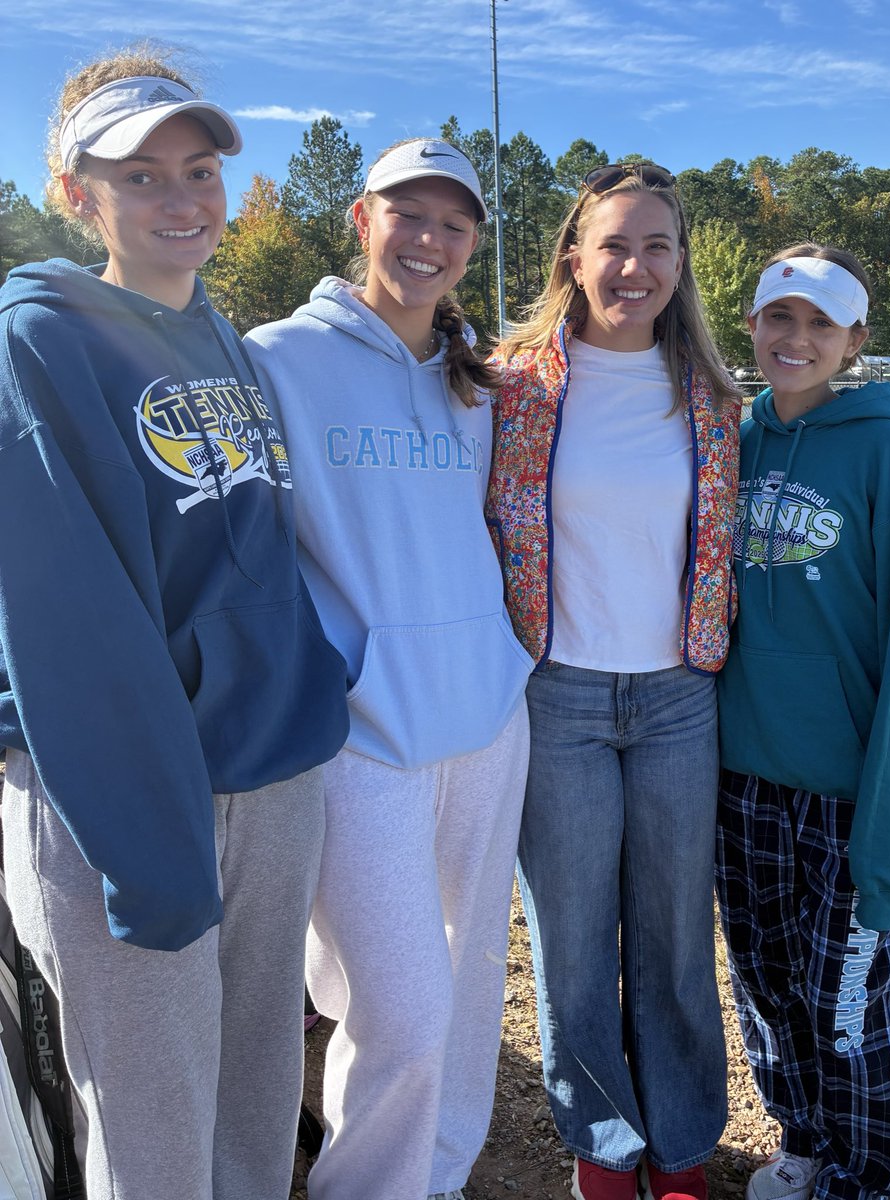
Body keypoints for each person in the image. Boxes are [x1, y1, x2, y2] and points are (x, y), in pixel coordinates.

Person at [0, 49, 349, 1200]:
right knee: (154, 1137)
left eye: (199, 170)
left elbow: (259, 556)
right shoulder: (41, 340)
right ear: (77, 194)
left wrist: (307, 685)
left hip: (268, 771)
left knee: (253, 1102)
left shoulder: (225, 341)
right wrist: (148, 852)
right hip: (126, 795)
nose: (182, 198)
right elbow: (71, 624)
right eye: (141, 176)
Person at [245, 138, 533, 1200]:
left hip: (487, 723)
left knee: (467, 992)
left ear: (472, 245)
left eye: (454, 223)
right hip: (362, 737)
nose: (429, 240)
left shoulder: (478, 381)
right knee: (401, 1010)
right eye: (408, 214)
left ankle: (439, 1176)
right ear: (362, 220)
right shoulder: (276, 359)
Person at [485, 162, 741, 1200]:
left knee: (677, 938)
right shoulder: (511, 387)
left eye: (657, 247)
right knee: (573, 944)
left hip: (679, 698)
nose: (636, 267)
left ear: (680, 265)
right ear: (574, 257)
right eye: (615, 245)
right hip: (560, 699)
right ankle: (602, 1146)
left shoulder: (713, 398)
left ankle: (680, 1148)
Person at [714, 245, 890, 1200]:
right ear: (752, 324)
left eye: (822, 323)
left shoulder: (886, 453)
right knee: (769, 985)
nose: (797, 338)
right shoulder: (733, 442)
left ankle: (869, 1176)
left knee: (851, 1001)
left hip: (848, 795)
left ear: (855, 340)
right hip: (744, 784)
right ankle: (805, 1138)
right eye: (781, 317)